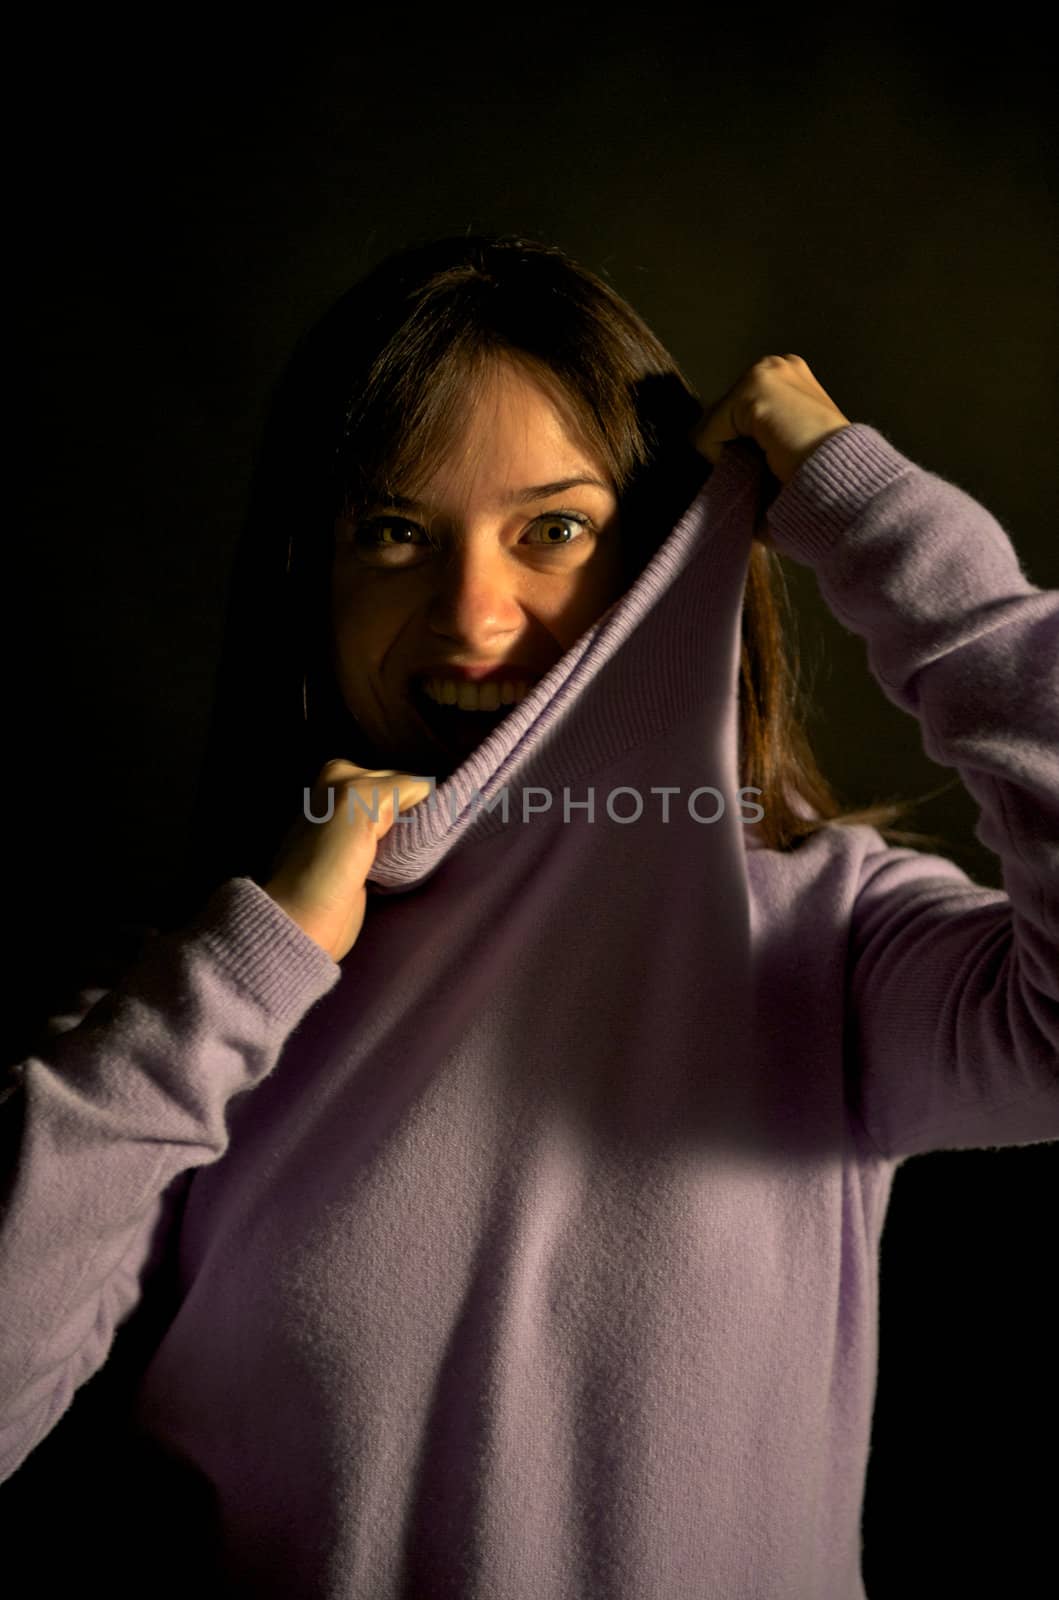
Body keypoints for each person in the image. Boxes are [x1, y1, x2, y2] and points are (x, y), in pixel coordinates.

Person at [1, 233, 1056, 1598]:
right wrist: (246, 968)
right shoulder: (198, 1007)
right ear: (310, 582)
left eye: (555, 530)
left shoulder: (833, 947)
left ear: (665, 557)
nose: (474, 615)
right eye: (394, 532)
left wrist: (879, 515)